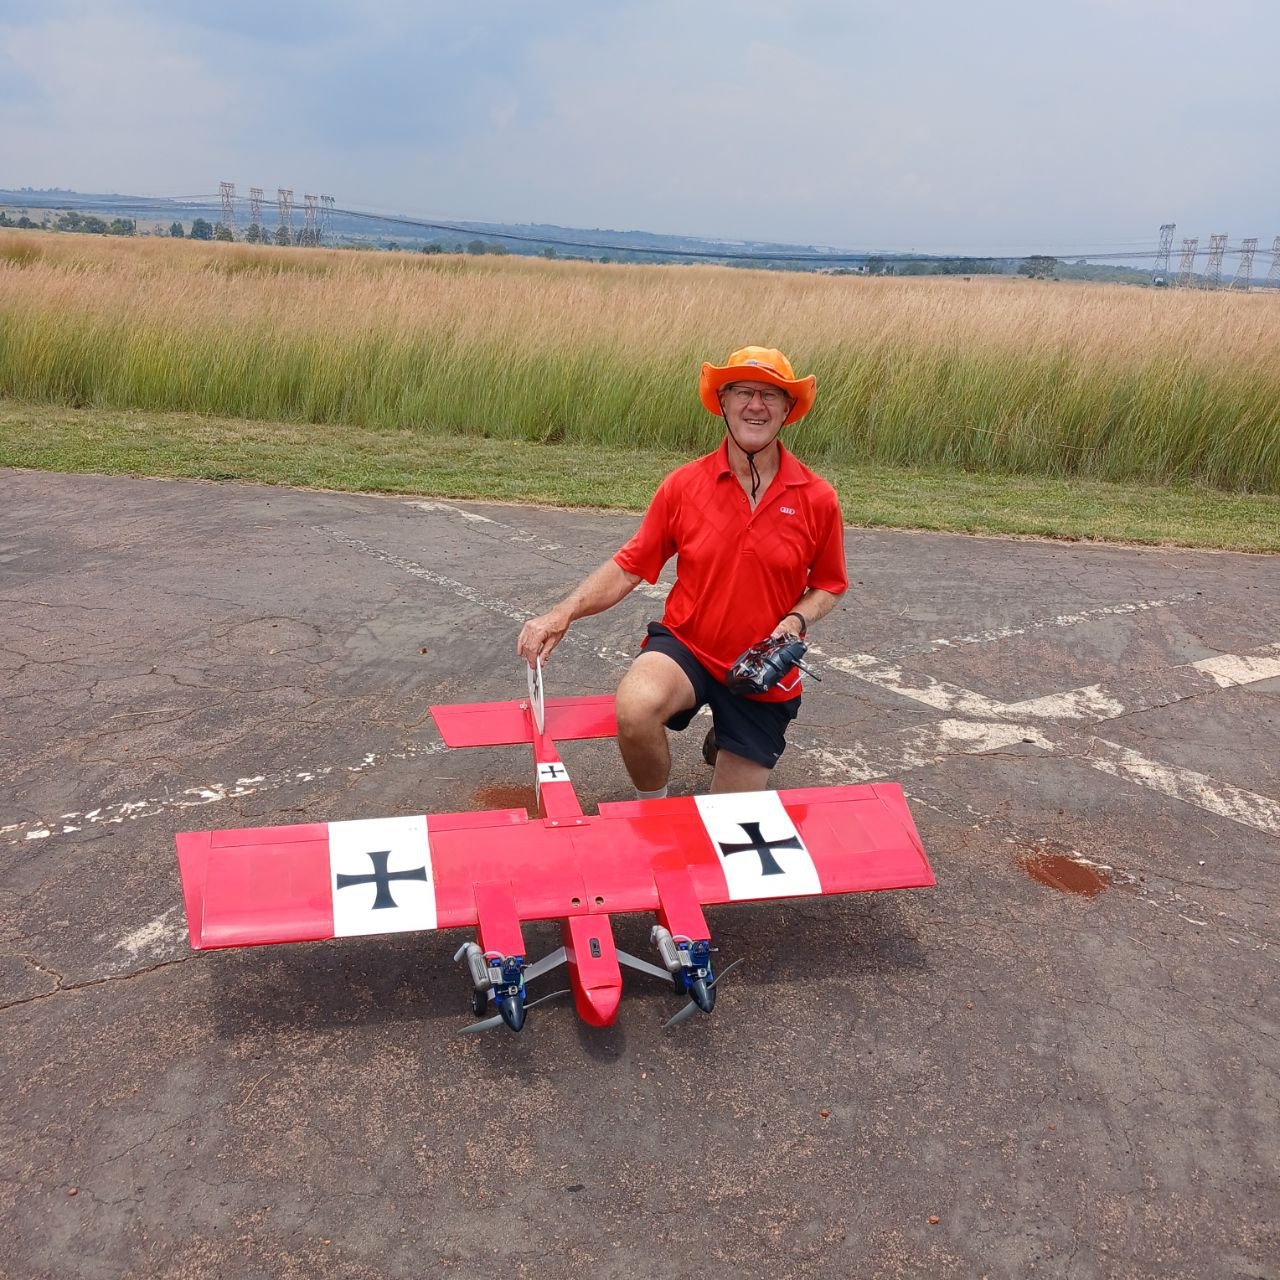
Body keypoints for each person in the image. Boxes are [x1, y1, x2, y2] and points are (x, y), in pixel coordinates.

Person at [516, 346, 847, 797]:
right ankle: (654, 805)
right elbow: (630, 565)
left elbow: (829, 584)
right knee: (634, 707)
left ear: (788, 409)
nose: (756, 405)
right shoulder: (684, 485)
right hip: (688, 646)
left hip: (761, 667)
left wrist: (795, 621)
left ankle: (726, 737)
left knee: (728, 821)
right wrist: (563, 613)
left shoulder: (817, 497)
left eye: (770, 394)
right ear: (723, 402)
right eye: (743, 392)